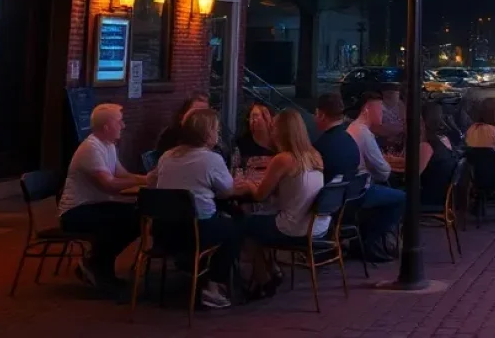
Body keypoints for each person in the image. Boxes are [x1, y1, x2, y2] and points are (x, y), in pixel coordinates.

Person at [149, 108, 254, 309]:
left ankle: (194, 269)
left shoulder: (167, 156)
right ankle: (213, 286)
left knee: (225, 221)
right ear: (206, 133)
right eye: (216, 130)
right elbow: (227, 191)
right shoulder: (211, 159)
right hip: (197, 231)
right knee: (237, 226)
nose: (218, 134)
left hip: (162, 232)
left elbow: (153, 183)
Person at [241, 109, 331, 298]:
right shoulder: (315, 155)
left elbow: (259, 195)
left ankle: (262, 280)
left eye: (274, 128)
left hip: (294, 227)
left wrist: (248, 184)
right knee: (259, 222)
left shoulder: (283, 159)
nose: (271, 132)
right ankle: (273, 270)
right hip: (318, 226)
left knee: (244, 225)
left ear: (282, 131)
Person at [59, 103, 146, 287]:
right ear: (107, 126)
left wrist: (146, 178)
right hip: (76, 212)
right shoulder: (91, 148)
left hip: (94, 205)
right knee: (132, 218)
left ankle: (97, 264)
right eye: (120, 122)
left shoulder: (108, 144)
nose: (123, 126)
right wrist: (144, 181)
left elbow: (121, 173)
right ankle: (96, 264)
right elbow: (110, 185)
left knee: (138, 214)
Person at [346, 92, 405, 260]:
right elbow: (383, 171)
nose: (383, 114)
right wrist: (387, 164)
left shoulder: (354, 129)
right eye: (380, 109)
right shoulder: (363, 133)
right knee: (402, 197)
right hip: (361, 189)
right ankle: (371, 241)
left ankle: (367, 240)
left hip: (354, 187)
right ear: (367, 109)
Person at [313, 91, 360, 182]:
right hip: (350, 193)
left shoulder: (319, 148)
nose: (314, 118)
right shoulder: (351, 141)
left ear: (321, 115)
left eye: (315, 114)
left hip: (325, 194)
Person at [420, 103, 458, 206]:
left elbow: (413, 176)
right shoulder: (444, 139)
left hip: (429, 197)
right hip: (446, 195)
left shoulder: (427, 145)